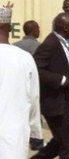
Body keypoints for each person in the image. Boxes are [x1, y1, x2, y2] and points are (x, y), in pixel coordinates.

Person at [32, 13, 69, 159]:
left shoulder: (66, 41)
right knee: (67, 145)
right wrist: (60, 80)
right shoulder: (50, 43)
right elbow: (36, 68)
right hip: (54, 103)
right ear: (65, 28)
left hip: (63, 100)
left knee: (58, 142)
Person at [0, 3, 43, 159]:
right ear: (10, 28)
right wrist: (36, 132)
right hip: (14, 137)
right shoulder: (24, 59)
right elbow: (33, 98)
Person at [12, 19, 45, 150]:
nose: (39, 31)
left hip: (18, 83)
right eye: (38, 28)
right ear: (34, 30)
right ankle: (36, 136)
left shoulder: (14, 46)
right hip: (36, 82)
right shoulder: (41, 47)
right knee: (36, 108)